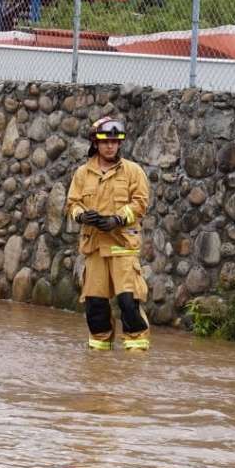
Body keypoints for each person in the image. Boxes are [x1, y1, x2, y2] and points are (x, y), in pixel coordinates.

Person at [66, 116, 152, 352]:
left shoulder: (133, 172)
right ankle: (99, 363)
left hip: (122, 246)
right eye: (105, 142)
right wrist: (82, 216)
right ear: (95, 143)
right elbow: (72, 204)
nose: (110, 146)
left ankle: (136, 358)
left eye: (115, 141)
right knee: (96, 308)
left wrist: (118, 219)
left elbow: (140, 203)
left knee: (129, 303)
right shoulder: (83, 174)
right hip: (94, 249)